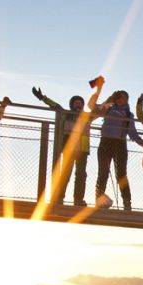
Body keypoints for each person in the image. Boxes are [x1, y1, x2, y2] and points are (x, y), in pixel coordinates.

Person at [31, 77, 101, 207]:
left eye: (80, 102)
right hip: (69, 147)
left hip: (83, 149)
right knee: (65, 174)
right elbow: (54, 105)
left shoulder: (87, 117)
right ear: (72, 104)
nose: (78, 104)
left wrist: (99, 90)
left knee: (81, 175)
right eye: (76, 102)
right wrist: (42, 97)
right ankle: (59, 198)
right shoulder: (66, 114)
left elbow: (97, 108)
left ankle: (78, 199)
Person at [93, 84, 142, 209]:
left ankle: (127, 202)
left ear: (127, 100)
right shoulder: (108, 108)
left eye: (123, 97)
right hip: (105, 142)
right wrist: (109, 99)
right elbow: (96, 109)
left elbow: (133, 133)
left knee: (121, 175)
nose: (121, 99)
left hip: (120, 143)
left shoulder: (128, 114)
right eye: (118, 97)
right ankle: (99, 199)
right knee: (103, 172)